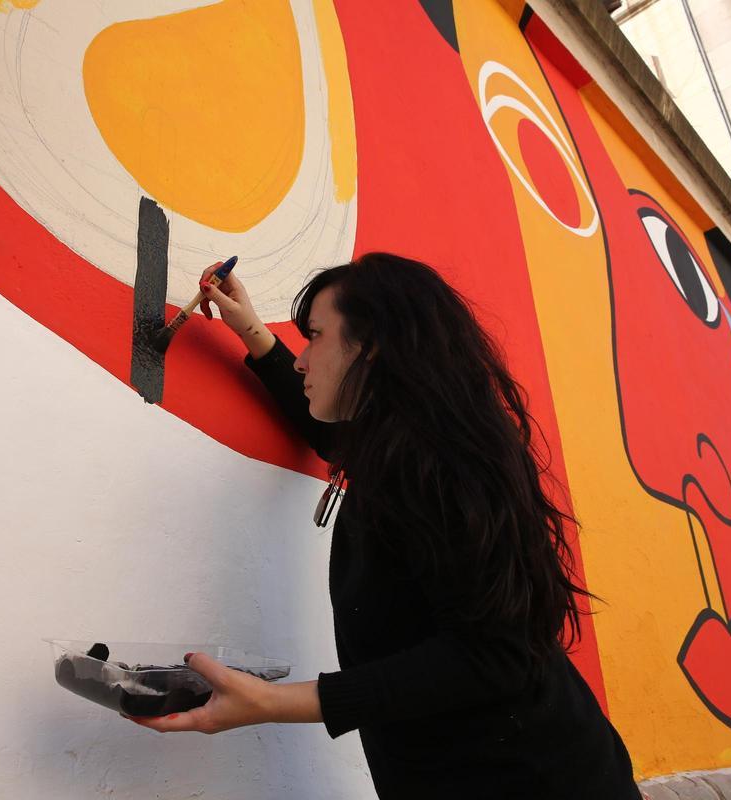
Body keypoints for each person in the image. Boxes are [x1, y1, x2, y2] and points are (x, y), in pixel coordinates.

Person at [122, 252, 642, 798]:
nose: (302, 361)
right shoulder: (402, 447)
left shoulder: (441, 464)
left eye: (316, 337)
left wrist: (273, 702)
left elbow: (497, 654)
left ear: (370, 345)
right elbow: (330, 436)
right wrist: (250, 329)